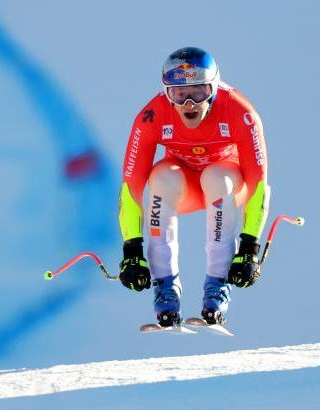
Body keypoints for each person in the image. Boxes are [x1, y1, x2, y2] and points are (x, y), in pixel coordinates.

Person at [118, 46, 270, 327]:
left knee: (216, 178)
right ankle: (165, 291)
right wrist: (132, 250)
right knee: (160, 179)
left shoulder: (239, 111)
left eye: (199, 92)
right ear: (167, 93)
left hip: (227, 183)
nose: (189, 103)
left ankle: (217, 287)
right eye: (179, 93)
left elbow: (258, 182)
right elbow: (131, 187)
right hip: (184, 186)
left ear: (213, 88)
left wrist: (249, 246)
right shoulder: (151, 116)